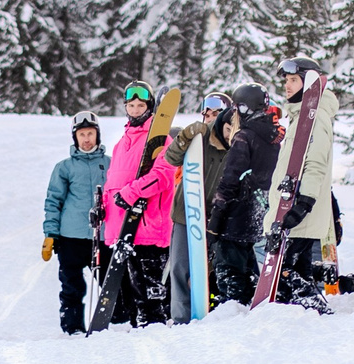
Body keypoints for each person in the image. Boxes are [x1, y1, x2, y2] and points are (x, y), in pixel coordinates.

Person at [100, 81, 179, 325]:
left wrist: (132, 193)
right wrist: (102, 207)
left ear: (149, 106)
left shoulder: (160, 140)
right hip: (122, 229)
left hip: (147, 227)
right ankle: (137, 335)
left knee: (148, 294)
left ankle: (154, 333)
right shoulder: (121, 142)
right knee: (130, 297)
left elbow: (163, 176)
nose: (135, 110)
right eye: (131, 105)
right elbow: (112, 181)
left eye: (140, 105)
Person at [264, 57, 338, 307]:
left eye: (293, 80)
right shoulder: (301, 116)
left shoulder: (316, 118)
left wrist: (303, 204)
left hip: (298, 212)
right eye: (286, 80)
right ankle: (305, 322)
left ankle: (315, 311)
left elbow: (315, 163)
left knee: (287, 272)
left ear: (308, 83)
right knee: (296, 273)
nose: (287, 85)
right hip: (290, 208)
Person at [160, 92, 239, 318]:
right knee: (180, 267)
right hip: (187, 213)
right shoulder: (199, 138)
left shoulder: (236, 144)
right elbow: (171, 159)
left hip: (217, 218)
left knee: (211, 269)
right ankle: (181, 317)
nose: (211, 119)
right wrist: (185, 137)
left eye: (217, 114)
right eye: (208, 114)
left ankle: (210, 313)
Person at [210, 81, 280, 305]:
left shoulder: (244, 137)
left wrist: (217, 216)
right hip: (258, 212)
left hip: (236, 215)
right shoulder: (274, 138)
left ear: (243, 109)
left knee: (229, 271)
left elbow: (230, 179)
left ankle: (233, 312)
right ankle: (250, 304)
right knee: (248, 264)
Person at [41, 113, 108, 335]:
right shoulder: (64, 168)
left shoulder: (110, 164)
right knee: (72, 286)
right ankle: (73, 328)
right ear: (75, 137)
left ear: (97, 135)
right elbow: (53, 201)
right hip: (71, 237)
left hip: (103, 237)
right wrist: (51, 233)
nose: (87, 139)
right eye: (82, 135)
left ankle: (120, 322)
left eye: (90, 134)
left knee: (112, 283)